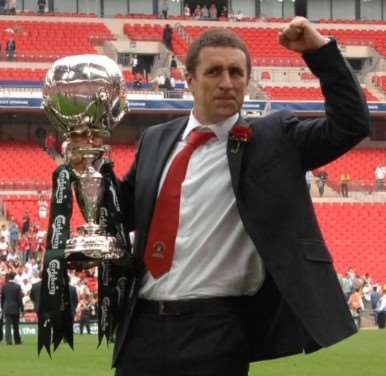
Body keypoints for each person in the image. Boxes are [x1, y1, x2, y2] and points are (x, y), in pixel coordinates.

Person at [112, 18, 370, 375]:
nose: (227, 83)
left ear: (247, 81)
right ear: (189, 80)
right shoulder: (157, 139)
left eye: (236, 72)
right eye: (214, 72)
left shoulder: (274, 138)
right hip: (142, 326)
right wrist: (85, 165)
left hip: (217, 329)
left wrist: (320, 52)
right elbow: (118, 214)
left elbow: (351, 124)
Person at [0, 271, 23, 345]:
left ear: (9, 277)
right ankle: (17, 340)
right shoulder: (17, 286)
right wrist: (21, 308)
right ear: (14, 277)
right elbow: (19, 299)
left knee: (8, 325)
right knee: (16, 326)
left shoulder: (4, 286)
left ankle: (8, 341)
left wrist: (2, 307)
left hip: (6, 307)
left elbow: (2, 298)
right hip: (15, 307)